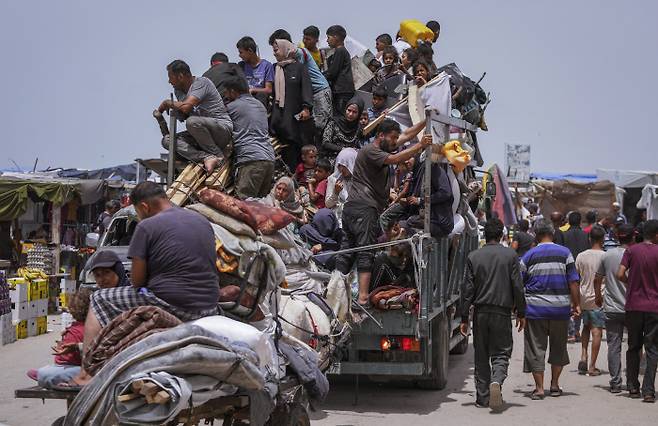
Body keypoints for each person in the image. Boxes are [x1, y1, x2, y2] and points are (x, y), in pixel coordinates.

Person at [65, 182, 219, 388]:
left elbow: (137, 281)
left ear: (144, 207)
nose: (139, 217)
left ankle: (86, 374)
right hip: (208, 305)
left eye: (138, 212)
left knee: (99, 298)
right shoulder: (202, 221)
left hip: (173, 304)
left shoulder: (147, 226)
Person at [335, 119, 431, 306]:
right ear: (381, 136)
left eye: (396, 138)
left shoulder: (383, 146)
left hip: (354, 208)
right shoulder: (371, 151)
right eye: (393, 138)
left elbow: (406, 135)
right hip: (364, 209)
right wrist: (420, 145)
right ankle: (362, 297)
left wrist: (425, 121)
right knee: (365, 251)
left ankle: (337, 291)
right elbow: (395, 159)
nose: (396, 142)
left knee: (348, 251)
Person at [460, 218, 526, 409]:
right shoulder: (511, 256)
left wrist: (464, 317)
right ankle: (496, 380)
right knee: (501, 352)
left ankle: (482, 398)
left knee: (481, 355)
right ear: (501, 235)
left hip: (480, 312)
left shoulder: (474, 256)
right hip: (502, 312)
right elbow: (517, 287)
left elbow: (467, 290)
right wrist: (521, 312)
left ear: (485, 235)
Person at [520, 219, 581, 400]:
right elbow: (573, 281)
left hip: (535, 310)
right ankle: (554, 385)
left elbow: (519, 283)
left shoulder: (529, 255)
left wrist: (518, 308)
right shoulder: (565, 253)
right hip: (560, 310)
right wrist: (576, 304)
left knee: (535, 348)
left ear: (536, 235)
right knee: (559, 348)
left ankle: (539, 389)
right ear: (552, 233)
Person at [157, 60, 233, 173]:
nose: (169, 81)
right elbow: (184, 114)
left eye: (171, 77)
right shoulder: (178, 91)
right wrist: (175, 112)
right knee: (167, 141)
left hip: (221, 130)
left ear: (181, 76)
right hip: (201, 135)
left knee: (192, 122)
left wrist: (167, 103)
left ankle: (218, 156)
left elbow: (186, 107)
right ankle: (206, 157)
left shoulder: (201, 83)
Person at [617, 219, 658, 402]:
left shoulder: (631, 250)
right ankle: (648, 391)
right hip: (654, 307)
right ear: (656, 235)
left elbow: (619, 274)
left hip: (633, 306)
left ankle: (633, 387)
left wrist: (631, 283)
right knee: (652, 349)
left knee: (633, 347)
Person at [269, 29, 332, 141]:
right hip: (312, 91)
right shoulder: (284, 60)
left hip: (320, 90)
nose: (274, 51)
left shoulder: (297, 54)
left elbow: (299, 75)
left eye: (276, 46)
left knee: (320, 124)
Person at [594, 223, 634, 393]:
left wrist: (598, 296)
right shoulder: (636, 254)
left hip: (611, 307)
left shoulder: (607, 255)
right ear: (632, 237)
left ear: (617, 237)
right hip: (633, 307)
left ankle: (616, 382)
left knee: (614, 346)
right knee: (634, 346)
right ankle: (632, 384)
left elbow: (597, 279)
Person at [221, 76, 276, 199]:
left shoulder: (232, 107)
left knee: (245, 204)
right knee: (261, 205)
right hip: (269, 159)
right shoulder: (260, 105)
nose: (225, 95)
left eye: (226, 92)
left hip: (251, 159)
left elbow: (219, 125)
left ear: (233, 91)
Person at [27, 288, 93, 388]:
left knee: (45, 373)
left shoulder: (85, 329)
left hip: (77, 368)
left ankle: (49, 377)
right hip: (70, 366)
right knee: (50, 370)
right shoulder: (77, 327)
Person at [270, 39, 314, 172]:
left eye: (276, 49)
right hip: (278, 114)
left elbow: (306, 88)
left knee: (295, 144)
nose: (274, 53)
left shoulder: (300, 68)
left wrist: (306, 108)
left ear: (285, 49)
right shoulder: (274, 68)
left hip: (294, 114)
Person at [575, 226, 607, 376]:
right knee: (597, 332)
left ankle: (583, 355)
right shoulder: (605, 256)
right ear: (603, 239)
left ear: (590, 239)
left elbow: (575, 278)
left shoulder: (581, 256)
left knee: (586, 327)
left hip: (583, 296)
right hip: (598, 298)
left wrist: (573, 301)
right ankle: (592, 366)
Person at [320, 97, 364, 161]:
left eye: (354, 112)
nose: (350, 114)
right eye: (349, 110)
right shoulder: (333, 122)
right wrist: (343, 150)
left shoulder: (358, 127)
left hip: (349, 159)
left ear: (359, 114)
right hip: (331, 157)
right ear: (345, 109)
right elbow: (325, 143)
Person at [324, 25, 355, 114]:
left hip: (342, 91)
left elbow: (332, 72)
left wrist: (319, 77)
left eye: (328, 37)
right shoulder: (341, 51)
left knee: (340, 116)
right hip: (343, 90)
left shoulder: (340, 51)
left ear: (336, 37)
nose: (327, 40)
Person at [237, 36, 274, 107]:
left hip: (260, 101)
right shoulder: (241, 66)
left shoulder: (267, 66)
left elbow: (269, 89)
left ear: (250, 51)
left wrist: (253, 90)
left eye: (241, 52)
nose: (240, 55)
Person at [325, 147, 357, 223]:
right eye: (339, 165)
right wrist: (335, 192)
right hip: (338, 218)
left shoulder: (359, 180)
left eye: (345, 165)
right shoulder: (333, 179)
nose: (341, 169)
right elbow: (328, 204)